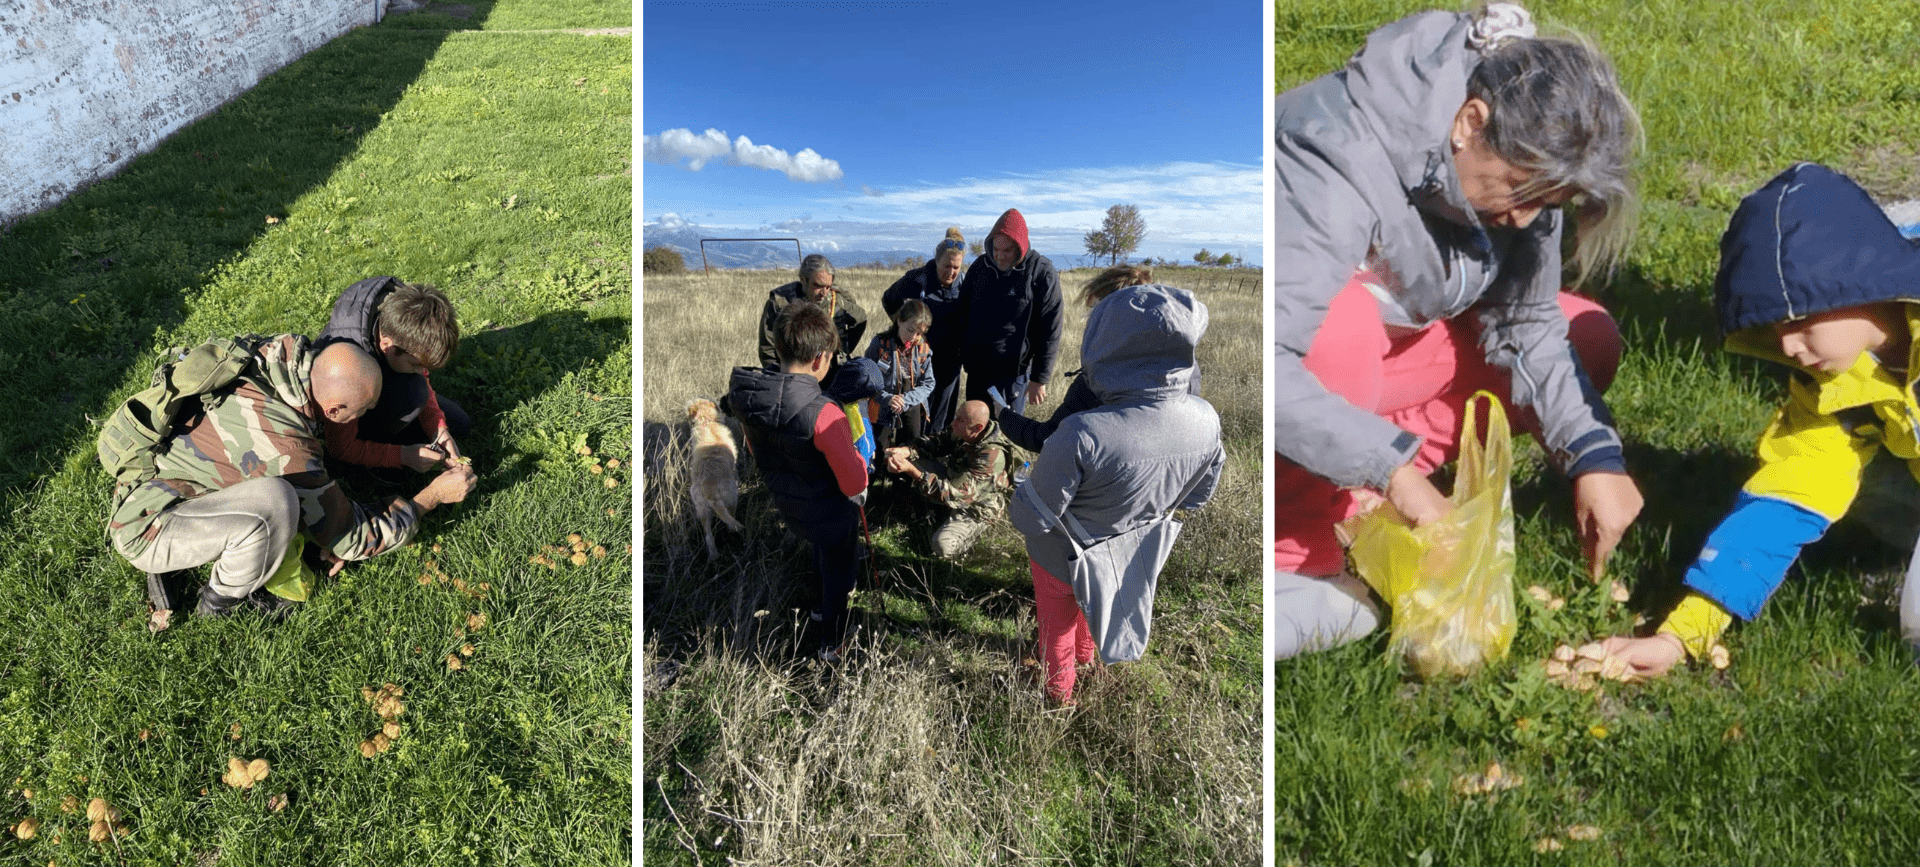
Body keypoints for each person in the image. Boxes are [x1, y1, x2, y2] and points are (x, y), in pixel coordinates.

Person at [1271, 2, 1643, 659]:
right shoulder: (1332, 152)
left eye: (1547, 206)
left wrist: (1594, 456)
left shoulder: (1527, 166)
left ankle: (1354, 483)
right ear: (1470, 123)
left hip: (1392, 359)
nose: (1528, 220)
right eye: (1519, 193)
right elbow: (1268, 362)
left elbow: (1529, 321)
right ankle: (1295, 543)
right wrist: (1395, 470)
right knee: (1343, 325)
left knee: (1586, 332)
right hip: (1310, 362)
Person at [1597, 163, 1920, 676]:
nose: (1788, 346)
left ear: (1861, 285)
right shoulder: (1832, 383)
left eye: (1799, 320)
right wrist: (1681, 637)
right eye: (1774, 331)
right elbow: (1790, 494)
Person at [107, 338, 478, 616]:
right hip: (149, 525)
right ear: (333, 410)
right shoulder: (288, 453)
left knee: (287, 497)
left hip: (158, 476)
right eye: (363, 411)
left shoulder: (282, 357)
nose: (367, 417)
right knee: (276, 502)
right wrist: (430, 497)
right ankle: (222, 600)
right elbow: (352, 539)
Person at [1010, 285, 1223, 704]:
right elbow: (1197, 498)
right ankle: (1089, 663)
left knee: (1057, 630)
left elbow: (1030, 519)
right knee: (1100, 604)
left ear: (1104, 347)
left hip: (1061, 557)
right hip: (1130, 554)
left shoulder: (1082, 433)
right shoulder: (1206, 420)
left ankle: (1057, 697)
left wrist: (1022, 488)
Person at [728, 301, 870, 659]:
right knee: (839, 571)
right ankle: (832, 643)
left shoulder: (748, 397)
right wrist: (861, 460)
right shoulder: (824, 414)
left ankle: (818, 607)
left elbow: (751, 446)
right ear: (821, 359)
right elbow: (854, 484)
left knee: (818, 548)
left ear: (777, 347)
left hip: (790, 504)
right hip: (832, 513)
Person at [989, 265, 1195, 452]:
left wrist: (1004, 416)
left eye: (1094, 313)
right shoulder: (1186, 369)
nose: (1090, 322)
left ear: (1108, 315)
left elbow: (1048, 439)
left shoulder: (1100, 380)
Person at [316, 277, 470, 472]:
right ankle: (379, 449)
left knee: (459, 424)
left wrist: (438, 428)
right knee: (412, 395)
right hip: (350, 412)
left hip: (385, 372)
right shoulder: (350, 374)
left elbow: (421, 378)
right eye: (416, 365)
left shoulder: (402, 324)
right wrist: (402, 456)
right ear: (388, 346)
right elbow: (341, 449)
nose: (424, 373)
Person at [960, 209, 1063, 416]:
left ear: (1020, 247)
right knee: (973, 429)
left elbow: (1051, 328)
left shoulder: (1041, 272)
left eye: (1007, 251)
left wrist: (1040, 378)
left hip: (1013, 374)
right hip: (978, 369)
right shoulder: (981, 267)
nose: (1000, 255)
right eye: (996, 249)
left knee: (1006, 434)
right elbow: (962, 312)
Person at [882, 400, 1014, 560]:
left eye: (960, 420)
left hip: (976, 505)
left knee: (943, 546)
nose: (953, 422)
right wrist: (907, 451)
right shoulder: (967, 429)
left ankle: (966, 537)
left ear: (977, 427)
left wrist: (913, 472)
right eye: (956, 417)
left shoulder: (992, 456)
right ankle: (937, 511)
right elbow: (934, 444)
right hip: (955, 478)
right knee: (912, 460)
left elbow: (956, 495)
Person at [883, 228, 969, 432]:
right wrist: (903, 328)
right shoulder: (917, 279)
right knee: (915, 405)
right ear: (936, 261)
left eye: (956, 267)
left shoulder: (965, 283)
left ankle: (936, 450)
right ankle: (911, 448)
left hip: (950, 358)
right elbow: (889, 299)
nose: (951, 272)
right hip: (917, 357)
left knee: (942, 410)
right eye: (947, 266)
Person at [757, 254, 867, 372]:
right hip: (793, 373)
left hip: (830, 372)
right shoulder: (780, 303)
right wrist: (780, 375)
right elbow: (767, 347)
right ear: (803, 280)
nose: (824, 293)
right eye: (818, 286)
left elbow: (860, 318)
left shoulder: (837, 300)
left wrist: (842, 349)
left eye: (828, 287)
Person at [864, 298, 936, 454]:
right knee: (876, 451)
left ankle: (903, 477)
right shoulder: (880, 345)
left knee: (909, 449)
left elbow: (928, 383)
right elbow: (867, 378)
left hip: (912, 405)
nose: (913, 337)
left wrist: (906, 400)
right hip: (881, 405)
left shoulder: (922, 349)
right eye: (910, 330)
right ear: (899, 321)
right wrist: (887, 398)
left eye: (919, 333)